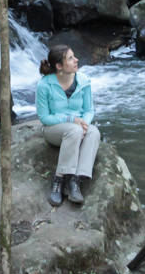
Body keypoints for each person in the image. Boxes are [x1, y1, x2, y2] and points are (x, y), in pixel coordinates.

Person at [35, 44, 100, 206]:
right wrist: (71, 120)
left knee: (94, 133)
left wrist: (85, 124)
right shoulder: (44, 85)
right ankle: (59, 180)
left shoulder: (84, 81)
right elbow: (44, 118)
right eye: (71, 58)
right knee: (74, 131)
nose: (76, 60)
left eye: (74, 56)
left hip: (78, 127)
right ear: (59, 66)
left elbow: (89, 110)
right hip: (54, 130)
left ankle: (75, 180)